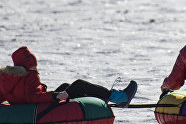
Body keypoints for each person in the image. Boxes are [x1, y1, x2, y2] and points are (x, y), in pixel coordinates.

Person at [0, 46, 137, 107]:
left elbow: (24, 95)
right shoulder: (29, 75)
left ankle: (102, 99)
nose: (35, 68)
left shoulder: (8, 79)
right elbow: (32, 97)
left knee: (66, 86)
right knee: (78, 84)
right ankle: (119, 97)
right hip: (39, 106)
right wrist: (54, 96)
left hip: (30, 106)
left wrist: (42, 88)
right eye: (34, 66)